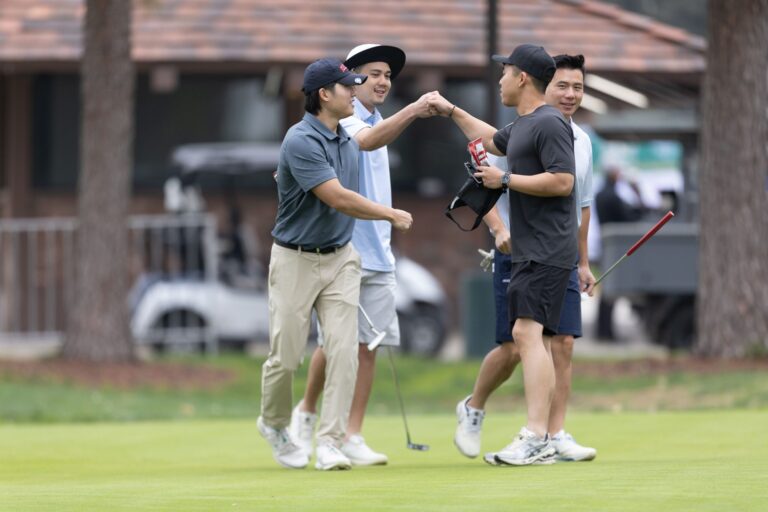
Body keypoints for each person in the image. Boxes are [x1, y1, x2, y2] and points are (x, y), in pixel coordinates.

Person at [258, 57, 413, 471]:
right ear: (324, 95)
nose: (355, 92)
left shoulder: (347, 141)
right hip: (295, 259)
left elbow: (348, 199)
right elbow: (338, 197)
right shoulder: (300, 139)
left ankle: (329, 442)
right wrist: (389, 213)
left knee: (345, 351)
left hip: (342, 258)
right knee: (286, 356)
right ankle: (273, 423)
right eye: (348, 86)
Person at [429, 44, 577, 466]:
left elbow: (563, 181)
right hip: (535, 248)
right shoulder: (525, 124)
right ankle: (541, 437)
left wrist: (506, 179)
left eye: (505, 72)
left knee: (528, 336)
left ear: (523, 78)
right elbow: (491, 141)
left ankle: (536, 435)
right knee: (531, 337)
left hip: (548, 247)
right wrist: (452, 110)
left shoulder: (549, 123)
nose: (500, 80)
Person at [289, 44, 434, 467]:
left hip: (379, 252)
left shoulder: (379, 120)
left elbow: (378, 136)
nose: (383, 81)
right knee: (336, 344)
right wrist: (416, 110)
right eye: (373, 74)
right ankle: (307, 411)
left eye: (388, 74)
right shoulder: (344, 120)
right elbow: (367, 143)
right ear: (350, 81)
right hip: (344, 248)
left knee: (368, 346)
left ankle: (353, 433)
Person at [594, 166, 645, 340]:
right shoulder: (613, 196)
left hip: (605, 245)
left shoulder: (601, 194)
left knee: (606, 291)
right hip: (616, 248)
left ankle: (603, 330)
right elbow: (632, 216)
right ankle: (606, 332)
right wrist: (637, 193)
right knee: (611, 293)